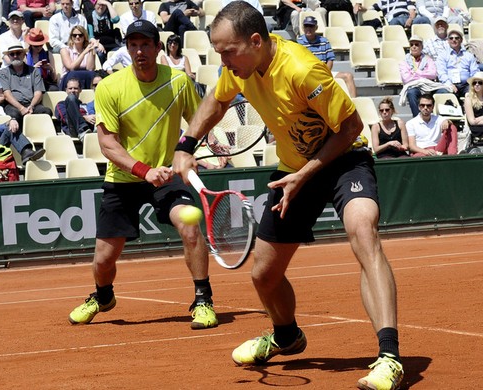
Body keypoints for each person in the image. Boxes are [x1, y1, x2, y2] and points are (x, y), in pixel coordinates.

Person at [172, 4, 404, 390]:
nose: (223, 60)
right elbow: (217, 99)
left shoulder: (301, 69)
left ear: (256, 41)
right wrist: (186, 143)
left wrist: (305, 174)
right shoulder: (237, 70)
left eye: (228, 51)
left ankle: (390, 358)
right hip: (293, 170)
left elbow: (350, 127)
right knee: (264, 274)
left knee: (363, 230)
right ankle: (286, 335)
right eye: (218, 52)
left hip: (344, 159)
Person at [68, 20, 218, 331]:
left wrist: (203, 145)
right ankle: (103, 296)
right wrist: (143, 171)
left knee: (190, 227)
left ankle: (203, 300)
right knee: (103, 261)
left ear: (158, 48)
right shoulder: (110, 87)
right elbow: (107, 144)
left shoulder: (178, 82)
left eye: (146, 44)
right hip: (124, 179)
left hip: (168, 174)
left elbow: (197, 121)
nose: (139, 51)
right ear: (127, 49)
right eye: (133, 45)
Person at [296, 16, 357, 98]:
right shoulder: (299, 43)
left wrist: (325, 73)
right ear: (303, 28)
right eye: (306, 26)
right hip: (307, 74)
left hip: (324, 72)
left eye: (311, 26)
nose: (308, 29)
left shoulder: (324, 41)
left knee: (348, 76)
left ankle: (354, 104)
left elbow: (330, 59)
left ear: (316, 28)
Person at [0, 44, 53, 125]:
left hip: (32, 104)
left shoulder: (34, 71)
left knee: (46, 112)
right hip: (13, 105)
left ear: (24, 55)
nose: (15, 56)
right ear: (9, 56)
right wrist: (21, 108)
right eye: (12, 54)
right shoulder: (3, 73)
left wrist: (31, 106)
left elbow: (38, 93)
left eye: (18, 53)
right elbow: (7, 95)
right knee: (14, 115)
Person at [398, 35, 448, 117]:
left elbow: (433, 74)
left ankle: (439, 118)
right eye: (412, 45)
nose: (414, 47)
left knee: (444, 91)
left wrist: (417, 72)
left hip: (429, 86)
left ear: (422, 47)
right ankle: (418, 118)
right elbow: (406, 79)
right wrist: (424, 74)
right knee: (411, 92)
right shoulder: (404, 62)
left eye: (417, 44)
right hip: (414, 86)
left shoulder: (428, 59)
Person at [435, 27, 479, 100]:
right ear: (448, 41)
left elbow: (475, 72)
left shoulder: (469, 55)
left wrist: (472, 84)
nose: (454, 40)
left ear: (461, 40)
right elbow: (441, 73)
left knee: (475, 92)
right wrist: (450, 85)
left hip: (466, 85)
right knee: (442, 93)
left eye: (456, 38)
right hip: (449, 84)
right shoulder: (443, 55)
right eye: (451, 38)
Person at [55, 77, 94, 141]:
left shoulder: (84, 105)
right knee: (71, 98)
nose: (72, 90)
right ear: (66, 90)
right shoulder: (61, 104)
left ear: (80, 90)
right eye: (70, 88)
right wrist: (85, 118)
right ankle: (82, 129)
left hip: (89, 129)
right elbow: (65, 118)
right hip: (73, 130)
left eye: (75, 88)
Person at [463, 72, 483, 150]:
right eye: (474, 83)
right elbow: (472, 121)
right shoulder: (468, 99)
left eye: (480, 83)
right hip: (478, 128)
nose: (476, 85)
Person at [60, 25, 96, 90]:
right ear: (71, 37)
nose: (77, 37)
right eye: (74, 35)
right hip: (69, 77)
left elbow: (90, 68)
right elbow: (71, 67)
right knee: (73, 74)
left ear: (84, 37)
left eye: (80, 35)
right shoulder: (65, 50)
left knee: (92, 74)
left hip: (85, 77)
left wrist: (90, 50)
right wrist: (84, 53)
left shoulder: (88, 49)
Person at [88, 0, 122, 64]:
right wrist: (98, 45)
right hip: (98, 45)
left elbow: (116, 19)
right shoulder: (90, 18)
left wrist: (108, 3)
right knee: (100, 54)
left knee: (119, 52)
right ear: (94, 5)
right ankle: (103, 71)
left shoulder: (109, 15)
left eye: (103, 5)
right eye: (99, 4)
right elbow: (91, 36)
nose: (101, 7)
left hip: (112, 44)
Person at [359, 0, 429, 27]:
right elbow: (368, 9)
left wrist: (410, 19)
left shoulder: (406, 0)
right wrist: (358, 6)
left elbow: (412, 11)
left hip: (407, 17)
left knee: (425, 19)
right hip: (395, 19)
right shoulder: (382, 2)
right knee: (394, 22)